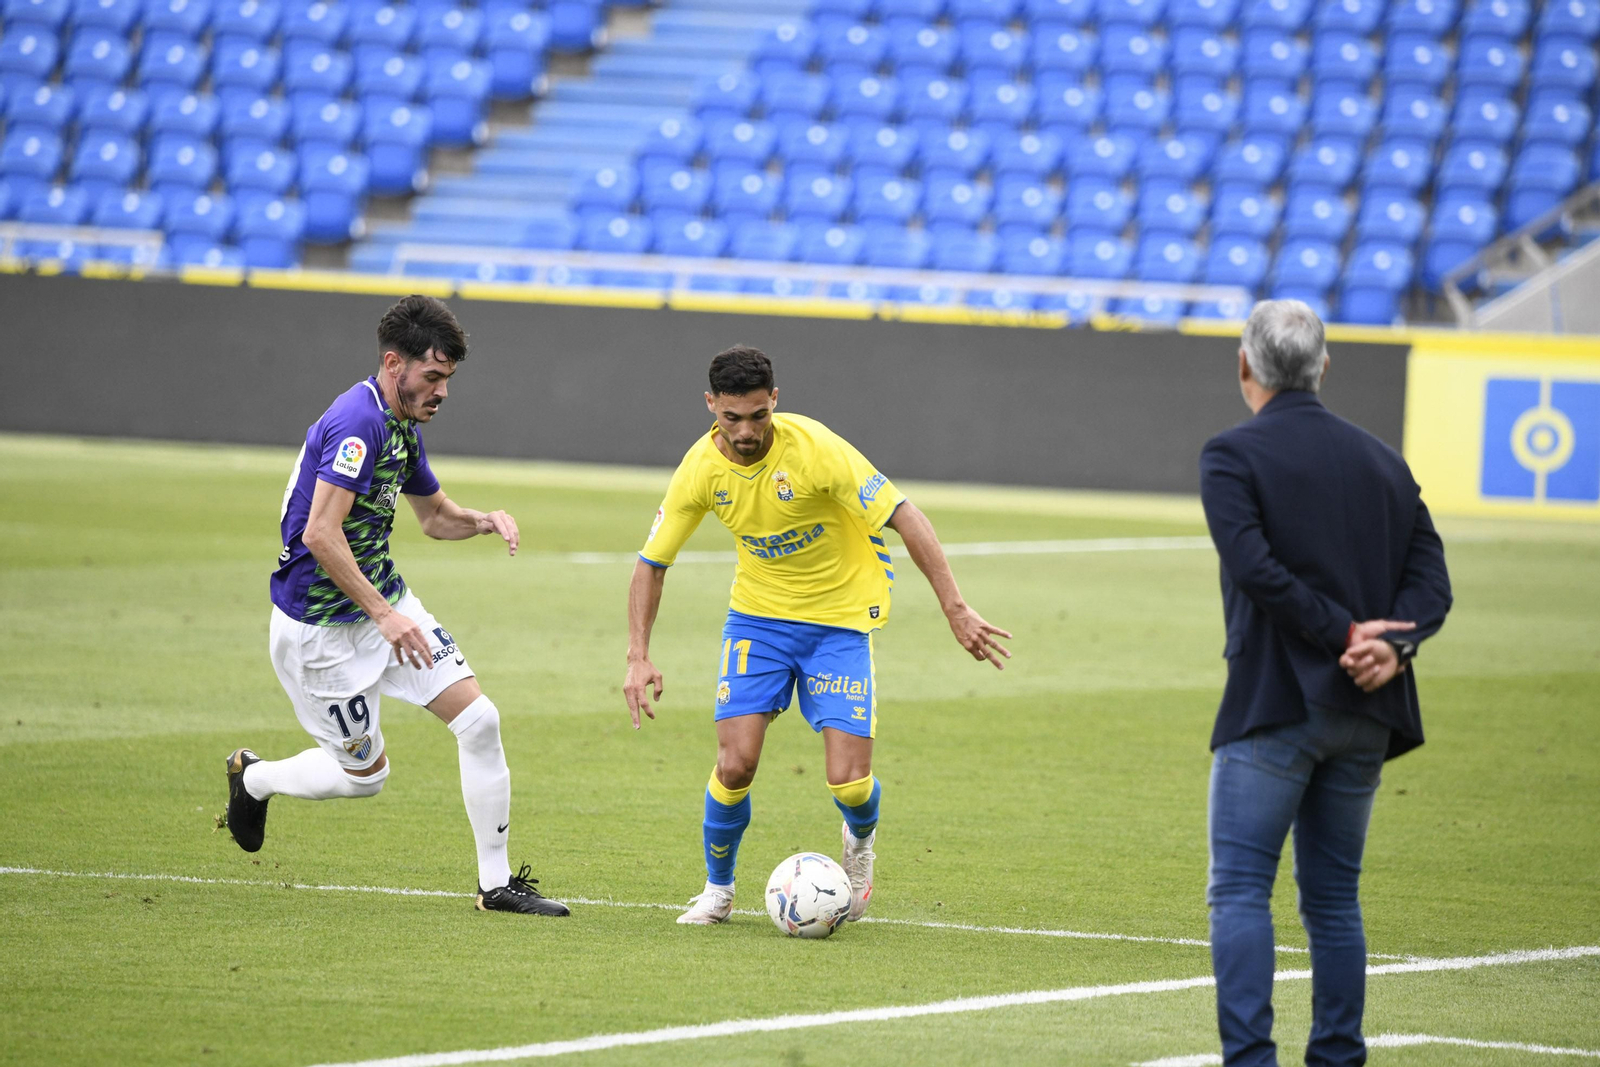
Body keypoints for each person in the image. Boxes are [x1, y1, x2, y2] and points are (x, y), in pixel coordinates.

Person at [623, 345, 1011, 926]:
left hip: (839, 621)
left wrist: (955, 608)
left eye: (759, 415)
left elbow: (905, 514)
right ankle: (718, 890)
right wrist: (638, 655)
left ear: (775, 400)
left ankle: (860, 844)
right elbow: (652, 563)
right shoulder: (700, 469)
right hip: (757, 621)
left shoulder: (815, 449)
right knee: (735, 765)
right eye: (732, 417)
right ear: (710, 405)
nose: (746, 431)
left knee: (849, 783)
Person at [225, 294, 569, 917]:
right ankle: (255, 779)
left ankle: (495, 886)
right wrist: (384, 616)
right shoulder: (359, 423)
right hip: (321, 630)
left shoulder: (401, 422)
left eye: (448, 378)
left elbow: (435, 518)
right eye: (433, 377)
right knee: (365, 778)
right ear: (394, 364)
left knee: (480, 721)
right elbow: (320, 534)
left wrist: (482, 520)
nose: (442, 391)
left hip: (384, 605)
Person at [1199, 300, 1452, 1065]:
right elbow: (1432, 582)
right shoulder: (1385, 461)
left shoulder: (1230, 454)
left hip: (1277, 700)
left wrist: (1344, 634)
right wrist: (1393, 644)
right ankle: (1339, 1056)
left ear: (1245, 365)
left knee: (1241, 889)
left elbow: (1256, 569)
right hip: (1369, 708)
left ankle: (1251, 1059)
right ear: (1324, 367)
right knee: (1335, 900)